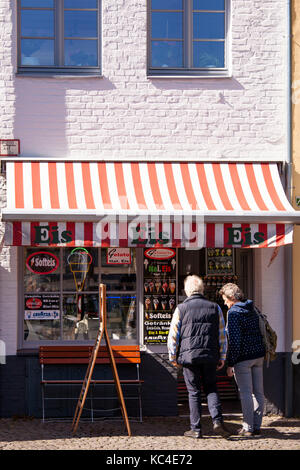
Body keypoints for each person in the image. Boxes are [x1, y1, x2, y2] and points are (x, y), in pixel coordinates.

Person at [167, 275, 230, 439]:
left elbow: (173, 335)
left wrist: (173, 356)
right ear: (202, 290)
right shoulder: (215, 307)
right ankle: (217, 421)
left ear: (187, 291)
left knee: (193, 392)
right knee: (211, 388)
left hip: (189, 357)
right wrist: (222, 355)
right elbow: (222, 334)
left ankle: (196, 429)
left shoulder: (181, 308)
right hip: (210, 356)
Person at [219, 283, 266, 437]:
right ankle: (257, 426)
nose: (225, 303)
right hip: (259, 355)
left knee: (245, 392)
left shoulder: (233, 313)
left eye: (225, 300)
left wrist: (230, 363)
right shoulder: (252, 308)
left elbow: (234, 340)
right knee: (258, 392)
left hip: (243, 358)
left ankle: (248, 428)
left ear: (232, 298)